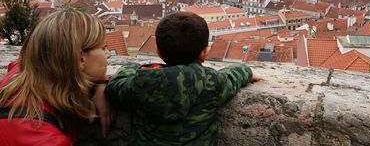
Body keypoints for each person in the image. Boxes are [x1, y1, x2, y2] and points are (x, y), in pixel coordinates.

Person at [105, 11, 261, 146]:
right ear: (204, 53)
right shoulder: (212, 82)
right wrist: (247, 71)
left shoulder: (140, 84)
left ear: (159, 53)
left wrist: (133, 67)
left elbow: (114, 87)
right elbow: (233, 76)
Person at [0, 8, 111, 146]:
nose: (108, 54)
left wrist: (101, 83)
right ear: (80, 58)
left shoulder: (23, 75)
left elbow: (18, 63)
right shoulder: (47, 140)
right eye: (103, 48)